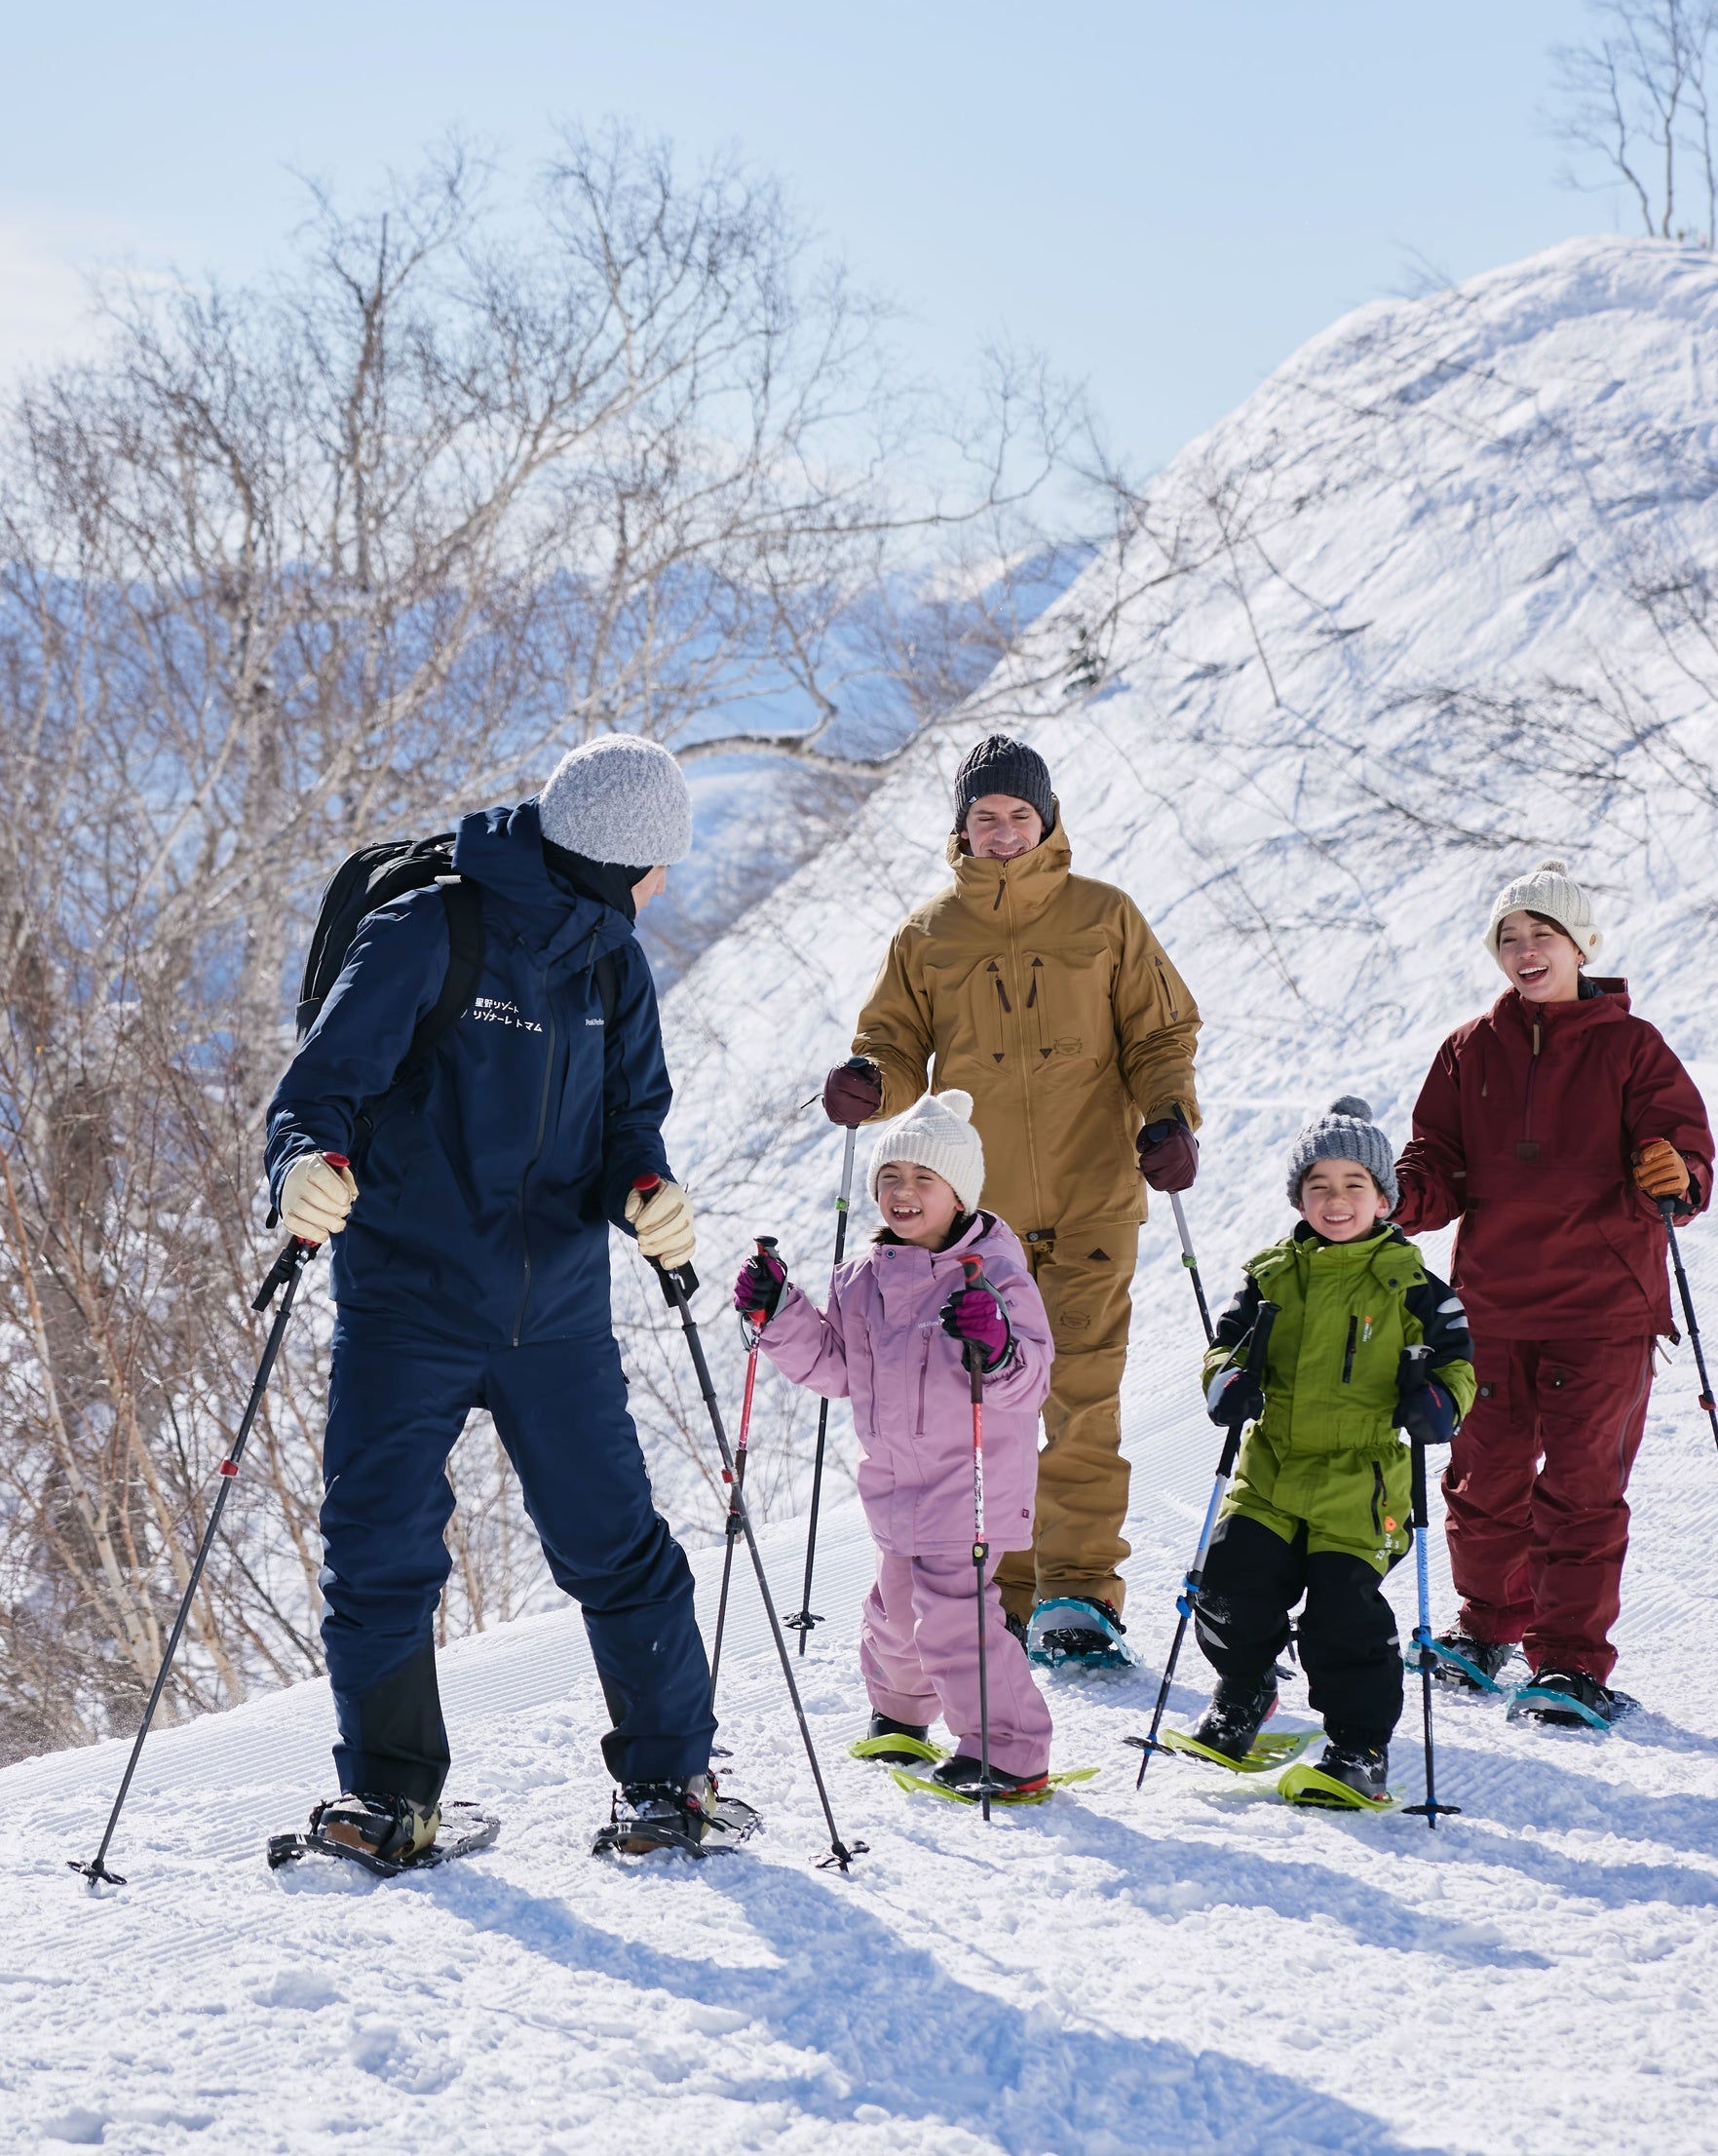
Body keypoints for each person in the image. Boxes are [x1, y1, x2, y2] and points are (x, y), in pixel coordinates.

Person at [264, 733, 738, 1864]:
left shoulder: (613, 967)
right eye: (656, 868)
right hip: (406, 1306)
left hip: (556, 1319)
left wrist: (647, 1192)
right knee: (377, 1549)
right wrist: (301, 1166)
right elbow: (319, 1090)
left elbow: (631, 1125)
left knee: (614, 1545)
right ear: (614, 859)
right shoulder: (428, 930)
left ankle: (670, 1781)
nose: (662, 889)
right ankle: (392, 1799)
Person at [818, 735, 1203, 1660]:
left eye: (1018, 815)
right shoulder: (928, 935)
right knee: (983, 1406)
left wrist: (1169, 1116)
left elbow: (1161, 1034)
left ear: (1047, 819)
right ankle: (1005, 1591)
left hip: (1093, 1193)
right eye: (984, 817)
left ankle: (1080, 1592)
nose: (1001, 832)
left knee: (1081, 1395)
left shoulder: (1106, 916)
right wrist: (871, 1078)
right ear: (962, 827)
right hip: (974, 1222)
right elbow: (895, 1044)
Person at [1393, 861, 1712, 1730]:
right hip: (1493, 1305)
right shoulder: (1468, 1050)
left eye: (1542, 934)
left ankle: (1570, 1661)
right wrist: (1397, 1196)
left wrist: (1676, 1173)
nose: (1525, 950)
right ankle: (1486, 1626)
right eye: (1509, 938)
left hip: (1603, 1310)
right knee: (1482, 1480)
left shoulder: (1632, 1046)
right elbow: (1437, 1163)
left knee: (1581, 1490)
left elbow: (1684, 1154)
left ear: (1580, 946)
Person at [734, 1090, 1060, 1801]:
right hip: (894, 1483)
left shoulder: (995, 1273)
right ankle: (902, 1716)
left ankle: (1008, 1749)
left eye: (922, 1178)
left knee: (954, 1619)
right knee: (895, 1611)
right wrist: (779, 1311)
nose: (902, 1192)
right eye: (890, 1177)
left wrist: (996, 1341)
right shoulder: (862, 1281)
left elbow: (1031, 1378)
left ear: (959, 1192)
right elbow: (836, 1369)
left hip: (971, 1483)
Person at [1181, 1100, 1477, 1806]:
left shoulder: (1414, 1287)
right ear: (1299, 1198)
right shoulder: (1270, 1277)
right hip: (1271, 1470)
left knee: (1342, 1620)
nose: (1335, 1200)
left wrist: (1438, 1402)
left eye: (1354, 1185)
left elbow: (1458, 1364)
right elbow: (1225, 1347)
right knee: (1227, 1586)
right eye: (1318, 1186)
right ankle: (1245, 1691)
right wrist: (1227, 1381)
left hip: (1362, 1483)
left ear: (1383, 1199)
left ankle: (1358, 1746)